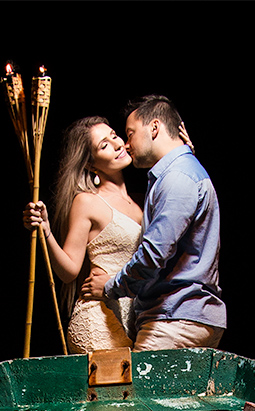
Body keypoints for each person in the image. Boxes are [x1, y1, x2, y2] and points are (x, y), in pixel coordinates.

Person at [80, 95, 224, 351]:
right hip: (183, 316)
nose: (126, 143)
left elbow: (153, 256)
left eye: (130, 133)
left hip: (174, 318)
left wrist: (110, 287)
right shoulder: (179, 172)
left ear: (154, 128)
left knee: (132, 391)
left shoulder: (178, 177)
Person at [23, 116, 142, 353]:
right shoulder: (87, 201)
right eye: (104, 145)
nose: (117, 144)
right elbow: (69, 272)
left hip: (133, 320)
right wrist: (45, 230)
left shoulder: (138, 205)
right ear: (90, 164)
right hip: (98, 320)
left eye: (114, 135)